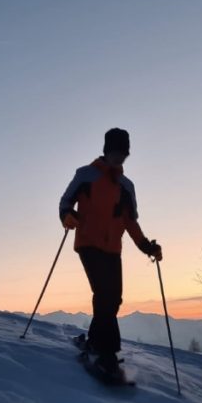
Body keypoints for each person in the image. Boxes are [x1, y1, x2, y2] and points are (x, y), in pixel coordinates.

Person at [59, 128, 163, 378]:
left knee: (113, 299)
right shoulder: (86, 174)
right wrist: (67, 217)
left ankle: (95, 341)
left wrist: (146, 246)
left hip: (113, 248)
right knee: (104, 293)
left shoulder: (127, 186)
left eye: (124, 153)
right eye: (116, 152)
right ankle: (108, 353)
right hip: (87, 242)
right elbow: (65, 202)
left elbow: (130, 222)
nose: (120, 157)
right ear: (107, 150)